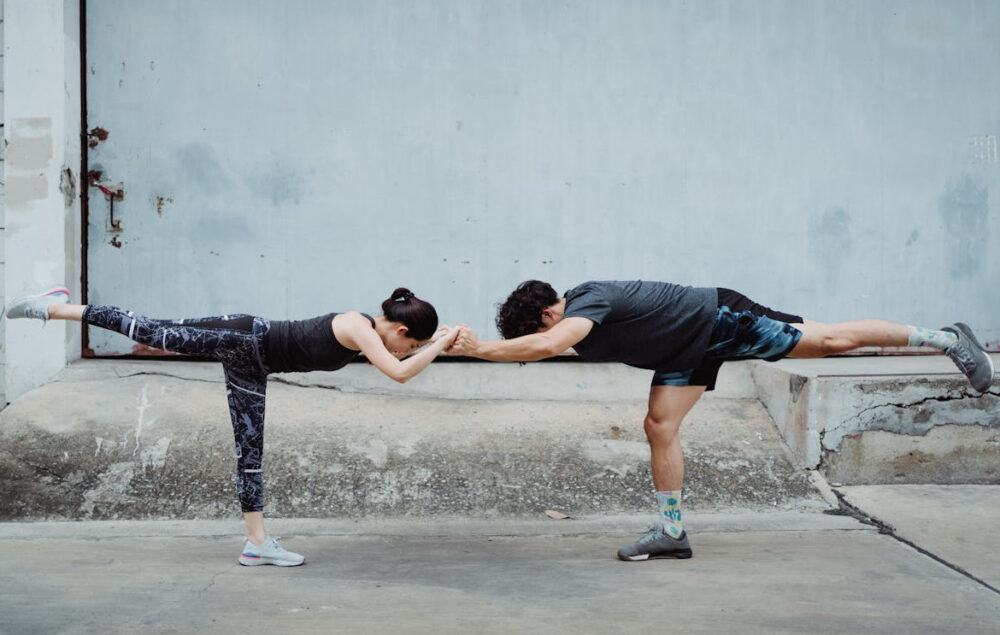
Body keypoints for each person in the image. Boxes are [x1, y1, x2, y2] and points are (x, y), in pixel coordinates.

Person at [449, 280, 995, 561]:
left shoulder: (585, 302)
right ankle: (671, 531)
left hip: (720, 319)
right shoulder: (572, 325)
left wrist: (478, 349)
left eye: (540, 328)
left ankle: (946, 339)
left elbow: (547, 345)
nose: (545, 336)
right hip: (684, 350)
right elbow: (542, 346)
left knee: (831, 340)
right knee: (659, 425)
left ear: (549, 312)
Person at [6, 285, 461, 567]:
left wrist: (437, 343)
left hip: (253, 365)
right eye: (410, 345)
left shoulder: (370, 336)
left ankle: (256, 543)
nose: (404, 352)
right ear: (401, 332)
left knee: (250, 454)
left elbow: (401, 362)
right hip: (243, 335)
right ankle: (56, 307)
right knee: (151, 332)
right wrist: (438, 346)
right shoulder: (359, 326)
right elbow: (399, 373)